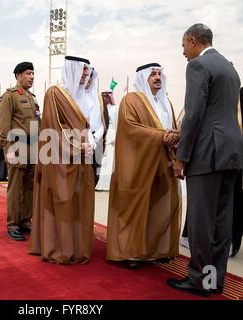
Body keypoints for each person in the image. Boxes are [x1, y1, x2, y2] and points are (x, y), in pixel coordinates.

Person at [168, 24, 243, 297]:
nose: (183, 52)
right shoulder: (229, 67)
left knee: (201, 220)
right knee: (221, 222)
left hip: (207, 154)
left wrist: (181, 157)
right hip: (231, 153)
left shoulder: (198, 66)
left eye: (183, 45)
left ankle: (200, 281)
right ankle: (215, 279)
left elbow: (194, 115)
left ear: (192, 41)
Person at [106, 63, 181, 269]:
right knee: (134, 207)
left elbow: (172, 128)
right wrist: (162, 136)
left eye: (159, 74)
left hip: (163, 162)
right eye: (152, 75)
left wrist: (175, 136)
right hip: (137, 164)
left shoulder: (166, 101)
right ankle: (129, 253)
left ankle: (157, 250)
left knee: (160, 205)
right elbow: (130, 128)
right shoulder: (131, 100)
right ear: (143, 78)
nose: (157, 77)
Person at [28, 55, 95, 264]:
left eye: (88, 71)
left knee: (78, 201)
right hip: (59, 159)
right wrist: (78, 147)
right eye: (83, 70)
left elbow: (87, 125)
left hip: (82, 158)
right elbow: (53, 128)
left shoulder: (82, 96)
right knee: (61, 200)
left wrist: (91, 141)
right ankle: (59, 247)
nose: (86, 75)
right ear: (73, 70)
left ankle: (77, 245)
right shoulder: (55, 93)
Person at [180, 87, 243, 257]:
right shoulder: (206, 94)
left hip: (230, 164)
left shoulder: (238, 95)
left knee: (225, 207)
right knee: (202, 205)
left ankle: (216, 256)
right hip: (206, 163)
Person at [0, 62, 39, 241]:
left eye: (33, 74)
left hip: (33, 149)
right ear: (18, 76)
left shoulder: (32, 97)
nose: (32, 77)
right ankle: (13, 224)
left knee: (29, 186)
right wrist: (8, 151)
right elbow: (4, 128)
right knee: (15, 188)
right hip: (17, 147)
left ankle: (25, 219)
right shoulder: (10, 96)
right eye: (28, 74)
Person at [84, 68, 107, 185]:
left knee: (94, 177)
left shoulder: (99, 98)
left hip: (97, 141)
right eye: (86, 76)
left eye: (90, 76)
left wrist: (97, 137)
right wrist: (90, 138)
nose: (88, 79)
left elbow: (104, 121)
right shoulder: (74, 97)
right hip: (82, 141)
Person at [96, 91, 118, 191]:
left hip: (112, 135)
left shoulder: (115, 108)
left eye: (107, 97)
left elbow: (116, 123)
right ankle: (100, 184)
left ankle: (108, 184)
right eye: (103, 97)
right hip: (102, 135)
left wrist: (115, 136)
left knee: (109, 160)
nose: (105, 99)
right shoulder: (100, 108)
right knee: (102, 159)